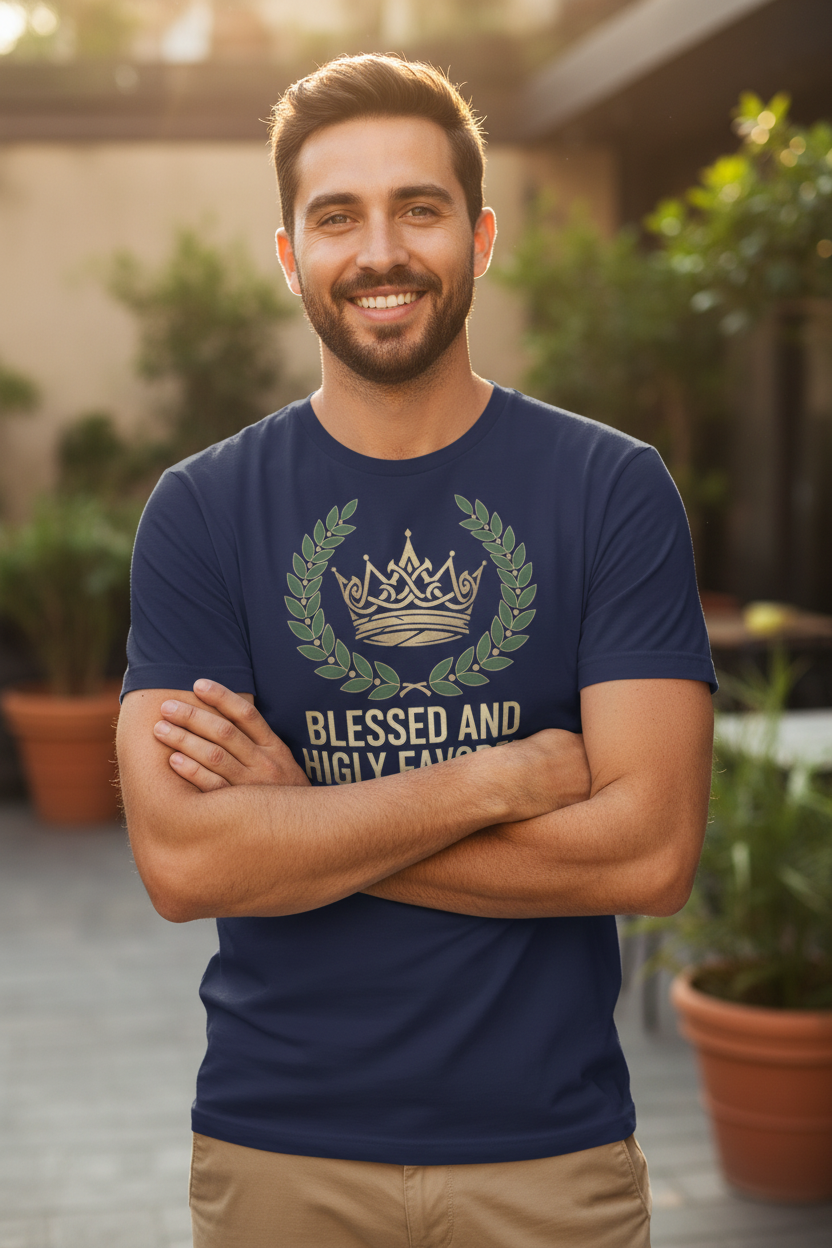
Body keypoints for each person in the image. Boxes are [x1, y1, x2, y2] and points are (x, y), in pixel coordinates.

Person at [116, 53, 715, 1248]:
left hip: (550, 1155)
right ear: (290, 255)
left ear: (480, 239)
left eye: (419, 209)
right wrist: (492, 782)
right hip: (277, 1148)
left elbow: (647, 854)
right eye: (337, 216)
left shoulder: (611, 490)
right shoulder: (202, 510)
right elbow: (185, 864)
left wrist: (299, 822)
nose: (379, 251)